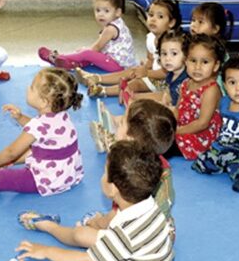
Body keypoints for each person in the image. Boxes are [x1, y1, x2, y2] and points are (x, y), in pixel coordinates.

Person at [2, 140, 173, 261]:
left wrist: (46, 251)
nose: (101, 177)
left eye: (104, 173)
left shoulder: (126, 233)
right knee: (94, 256)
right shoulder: (148, 206)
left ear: (113, 188)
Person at [28, 98, 177, 240]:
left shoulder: (127, 170)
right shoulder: (161, 166)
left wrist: (97, 224)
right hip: (163, 230)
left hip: (135, 238)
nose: (117, 122)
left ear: (130, 139)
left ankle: (49, 227)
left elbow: (117, 214)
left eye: (121, 123)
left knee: (80, 235)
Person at [0, 68, 83, 196]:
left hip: (47, 180)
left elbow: (11, 152)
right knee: (31, 150)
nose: (28, 88)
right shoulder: (62, 115)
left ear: (44, 102)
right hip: (68, 174)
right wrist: (20, 117)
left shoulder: (38, 125)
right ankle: (1, 161)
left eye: (32, 87)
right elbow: (42, 131)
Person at [76, 0, 181, 98]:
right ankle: (95, 78)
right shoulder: (150, 38)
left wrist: (147, 73)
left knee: (135, 83)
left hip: (168, 82)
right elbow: (150, 59)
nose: (153, 19)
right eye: (151, 15)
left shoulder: (171, 44)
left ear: (171, 22)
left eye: (160, 17)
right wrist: (144, 67)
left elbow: (168, 72)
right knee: (132, 71)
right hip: (155, 75)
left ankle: (103, 91)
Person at [193, 55, 239, 193]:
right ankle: (223, 163)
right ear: (225, 85)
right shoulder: (225, 102)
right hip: (223, 145)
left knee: (237, 174)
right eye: (232, 83)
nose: (238, 89)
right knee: (201, 165)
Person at [38, 0, 137, 72]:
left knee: (86, 54)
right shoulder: (117, 22)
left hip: (118, 66)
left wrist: (84, 52)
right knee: (86, 53)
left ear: (117, 12)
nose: (101, 15)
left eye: (106, 11)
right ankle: (70, 64)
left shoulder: (110, 29)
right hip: (116, 61)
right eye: (98, 10)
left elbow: (97, 47)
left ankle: (59, 57)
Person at [164, 34, 226, 160]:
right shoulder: (186, 83)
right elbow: (177, 109)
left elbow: (202, 123)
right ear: (185, 61)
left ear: (215, 65)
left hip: (200, 136)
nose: (197, 67)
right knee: (157, 130)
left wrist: (175, 132)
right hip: (183, 127)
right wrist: (170, 125)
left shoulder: (211, 90)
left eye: (205, 62)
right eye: (193, 61)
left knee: (164, 145)